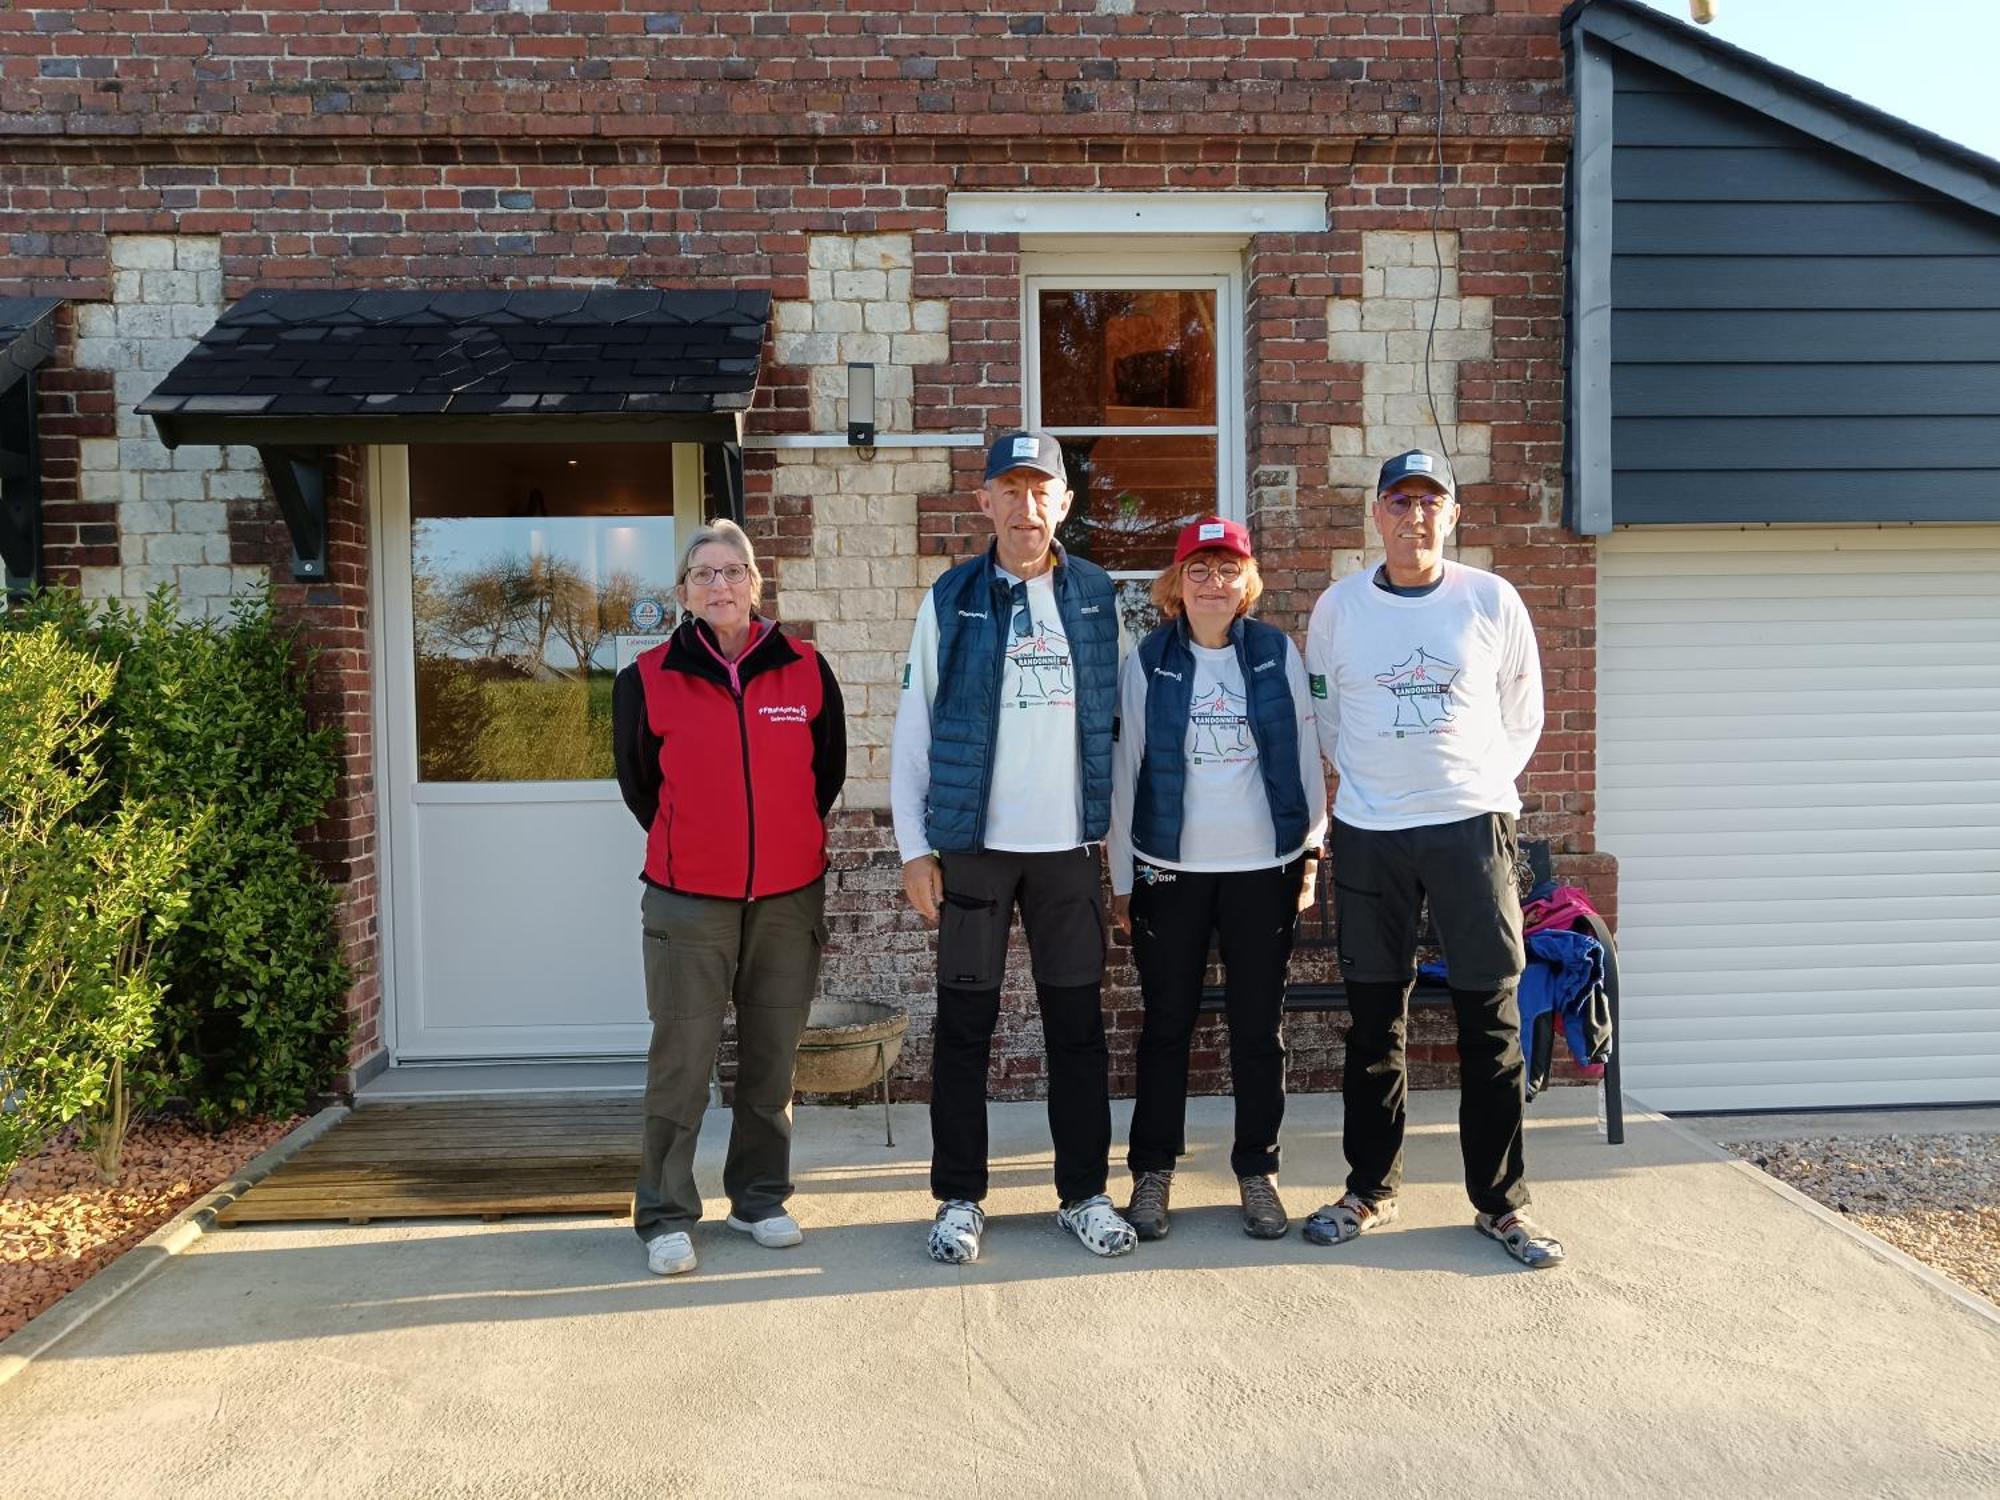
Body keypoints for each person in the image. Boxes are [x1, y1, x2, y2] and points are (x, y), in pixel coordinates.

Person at [1301, 449, 1565, 1268]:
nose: (1414, 517)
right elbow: (1328, 720)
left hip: (1470, 830)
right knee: (1375, 1020)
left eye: (1430, 503)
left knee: (1491, 1021)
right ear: (1375, 514)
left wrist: (1474, 784)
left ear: (1452, 517)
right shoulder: (1339, 609)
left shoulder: (1491, 599)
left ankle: (1501, 1205)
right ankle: (1369, 1190)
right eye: (1398, 502)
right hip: (1372, 834)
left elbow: (1524, 712)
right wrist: (1381, 785)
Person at [890, 429, 1135, 1264]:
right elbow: (913, 728)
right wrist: (914, 849)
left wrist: (1124, 857)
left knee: (1076, 1028)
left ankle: (1085, 1193)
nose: (1026, 506)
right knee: (965, 1026)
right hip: (976, 852)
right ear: (985, 500)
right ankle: (959, 1197)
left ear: (1064, 503)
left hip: (1068, 850)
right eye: (1011, 489)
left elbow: (1122, 737)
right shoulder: (951, 597)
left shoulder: (1100, 597)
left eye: (1042, 491)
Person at [612, 518, 847, 1277]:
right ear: (683, 593)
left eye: (733, 571)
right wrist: (705, 847)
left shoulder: (808, 669)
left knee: (773, 1060)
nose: (721, 585)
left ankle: (759, 1198)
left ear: (756, 581)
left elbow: (826, 777)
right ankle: (665, 1213)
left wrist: (777, 843)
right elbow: (641, 786)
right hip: (688, 902)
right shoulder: (646, 677)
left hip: (788, 897)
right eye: (704, 575)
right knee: (682, 1061)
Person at [1108, 517, 1327, 1242]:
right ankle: (1152, 1172)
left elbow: (1304, 752)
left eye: (1227, 568)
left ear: (1246, 583)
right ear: (1175, 585)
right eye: (1198, 569)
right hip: (1171, 869)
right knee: (1166, 1025)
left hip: (1262, 868)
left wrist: (1310, 853)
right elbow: (1124, 767)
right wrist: (1121, 875)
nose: (1213, 581)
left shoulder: (1274, 654)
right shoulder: (1149, 660)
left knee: (1257, 1028)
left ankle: (1257, 1169)